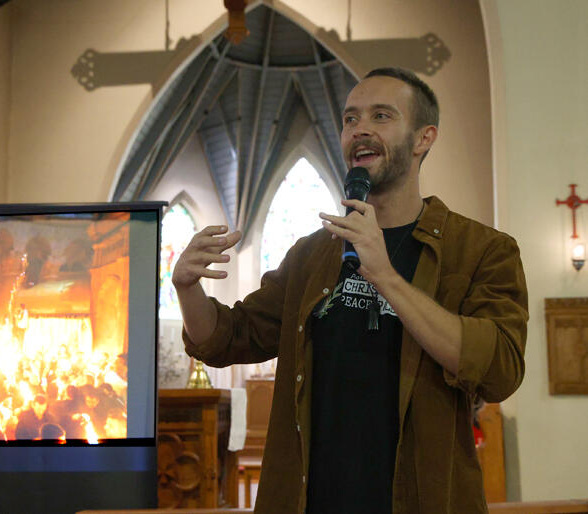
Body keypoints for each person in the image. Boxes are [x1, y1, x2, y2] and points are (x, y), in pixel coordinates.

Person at [172, 67, 528, 514]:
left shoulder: (481, 250)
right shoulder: (312, 255)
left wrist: (388, 277)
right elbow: (228, 337)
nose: (360, 129)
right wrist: (186, 289)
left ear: (424, 138)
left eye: (381, 116)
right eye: (350, 119)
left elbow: (500, 369)